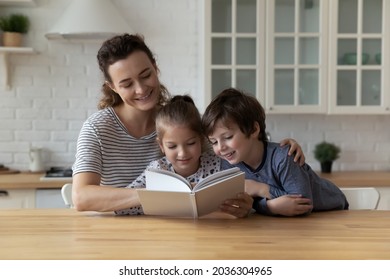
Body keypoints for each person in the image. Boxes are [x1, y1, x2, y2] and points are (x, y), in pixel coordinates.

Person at [72, 33, 304, 216]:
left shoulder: (179, 121)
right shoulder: (97, 129)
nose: (141, 89)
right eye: (127, 84)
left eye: (145, 75)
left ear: (155, 67)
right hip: (119, 234)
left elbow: (234, 155)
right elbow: (82, 198)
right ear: (112, 87)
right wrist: (158, 196)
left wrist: (277, 152)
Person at [201, 88, 349, 216]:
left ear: (253, 129)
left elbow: (303, 205)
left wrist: (260, 189)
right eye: (213, 142)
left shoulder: (284, 157)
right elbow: (249, 205)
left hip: (334, 213)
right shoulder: (229, 163)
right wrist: (269, 206)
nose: (220, 148)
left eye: (227, 137)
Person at [116, 95, 253, 217]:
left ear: (201, 139)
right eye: (172, 146)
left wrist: (245, 208)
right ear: (161, 146)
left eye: (191, 143)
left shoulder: (218, 164)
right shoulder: (156, 170)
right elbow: (120, 206)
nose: (182, 153)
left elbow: (242, 201)